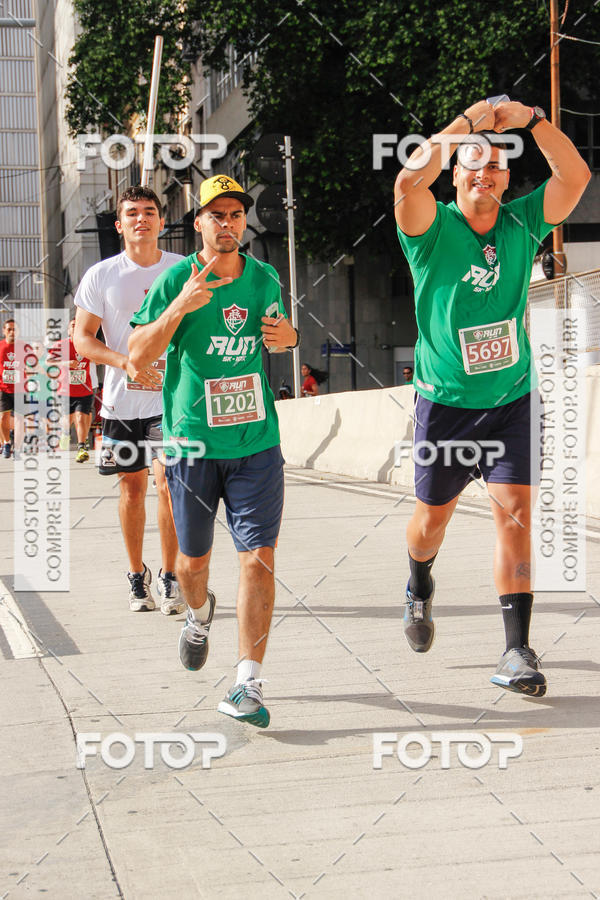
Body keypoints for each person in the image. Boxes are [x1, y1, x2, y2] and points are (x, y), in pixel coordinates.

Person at [394, 99, 590, 697]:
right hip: (445, 406)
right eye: (473, 163)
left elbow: (575, 176)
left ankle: (516, 650)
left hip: (511, 399)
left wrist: (532, 122)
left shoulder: (523, 222)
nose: (485, 172)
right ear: (454, 173)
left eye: (497, 166)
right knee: (431, 522)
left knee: (516, 517)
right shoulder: (431, 227)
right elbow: (407, 181)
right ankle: (419, 580)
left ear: (507, 180)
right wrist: (468, 124)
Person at [128, 173, 299, 728]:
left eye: (235, 215)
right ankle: (199, 615)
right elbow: (137, 353)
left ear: (243, 222)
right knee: (191, 566)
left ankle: (248, 681)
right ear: (198, 222)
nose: (227, 224)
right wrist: (178, 307)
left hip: (256, 443)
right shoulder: (175, 278)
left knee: (258, 558)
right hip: (192, 445)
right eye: (216, 215)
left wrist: (291, 338)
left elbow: (282, 333)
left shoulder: (264, 277)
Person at [74, 186, 185, 615]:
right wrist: (125, 362)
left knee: (168, 487)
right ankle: (137, 574)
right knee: (132, 489)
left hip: (170, 402)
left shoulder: (181, 270)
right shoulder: (101, 275)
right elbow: (83, 339)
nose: (142, 218)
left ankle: (171, 576)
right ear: (120, 225)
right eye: (133, 213)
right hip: (121, 404)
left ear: (162, 222)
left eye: (150, 212)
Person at [57, 318, 96, 462]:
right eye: (73, 325)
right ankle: (65, 432)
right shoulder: (62, 345)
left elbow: (99, 359)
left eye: (77, 325)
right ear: (68, 330)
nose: (75, 328)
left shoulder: (86, 343)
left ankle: (81, 448)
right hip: (65, 390)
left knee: (80, 417)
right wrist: (66, 362)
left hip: (84, 390)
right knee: (67, 420)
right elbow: (48, 361)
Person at [0, 319, 22, 458]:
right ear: (4, 331)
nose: (12, 332)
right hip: (3, 388)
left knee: (19, 419)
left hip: (20, 389)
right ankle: (6, 444)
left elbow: (34, 364)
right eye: (9, 329)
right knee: (3, 417)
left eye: (14, 329)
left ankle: (18, 448)